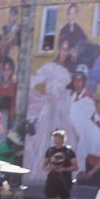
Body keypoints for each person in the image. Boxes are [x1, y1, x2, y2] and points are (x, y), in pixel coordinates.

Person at [23, 49, 73, 178]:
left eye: (66, 50)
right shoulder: (50, 68)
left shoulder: (67, 73)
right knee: (44, 138)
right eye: (63, 49)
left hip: (60, 110)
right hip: (49, 108)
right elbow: (36, 80)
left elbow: (65, 92)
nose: (64, 53)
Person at [34, 130, 77, 199]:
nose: (56, 141)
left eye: (58, 139)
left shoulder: (69, 151)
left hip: (64, 179)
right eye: (55, 139)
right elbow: (44, 166)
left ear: (63, 140)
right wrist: (50, 167)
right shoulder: (50, 150)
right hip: (52, 178)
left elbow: (75, 166)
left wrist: (64, 169)